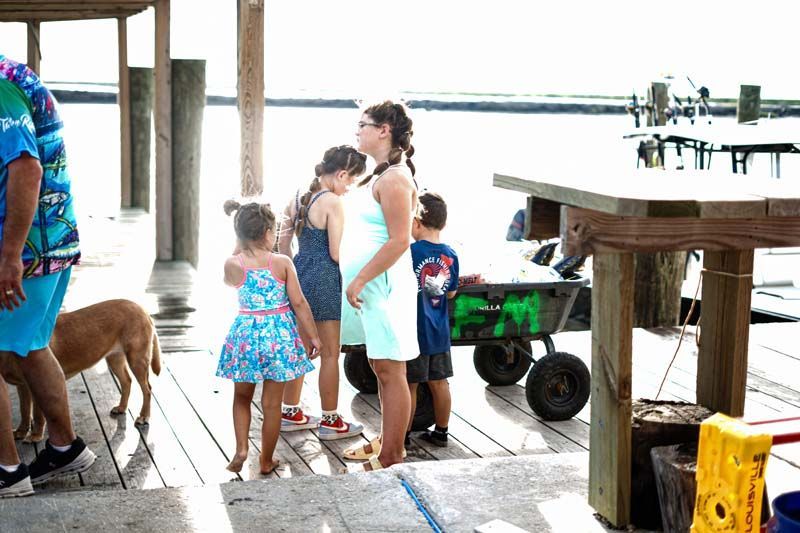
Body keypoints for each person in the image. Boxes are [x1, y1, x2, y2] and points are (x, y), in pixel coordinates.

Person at [0, 54, 96, 498]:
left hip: (27, 252)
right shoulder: (11, 75)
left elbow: (26, 168)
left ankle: (7, 470)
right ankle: (63, 447)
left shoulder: (2, 89)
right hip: (50, 243)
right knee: (30, 347)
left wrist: (10, 256)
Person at [340, 101, 418, 471]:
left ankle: (392, 455)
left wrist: (360, 278)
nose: (357, 131)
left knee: (390, 368)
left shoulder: (395, 179)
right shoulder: (379, 176)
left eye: (363, 125)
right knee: (379, 364)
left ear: (384, 130)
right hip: (375, 288)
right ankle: (387, 444)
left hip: (385, 287)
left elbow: (400, 240)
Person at [217, 200, 321, 475]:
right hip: (278, 337)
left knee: (241, 397)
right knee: (272, 404)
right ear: (267, 232)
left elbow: (229, 282)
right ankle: (265, 460)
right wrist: (313, 336)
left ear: (239, 234)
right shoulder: (282, 263)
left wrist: (240, 244)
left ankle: (241, 449)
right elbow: (299, 302)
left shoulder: (233, 264)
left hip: (246, 335)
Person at [278, 146, 367, 440]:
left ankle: (290, 412)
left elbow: (282, 246)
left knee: (301, 350)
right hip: (326, 278)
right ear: (341, 174)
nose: (349, 189)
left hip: (299, 274)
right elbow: (336, 253)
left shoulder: (297, 196)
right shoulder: (332, 202)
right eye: (351, 181)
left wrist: (295, 272)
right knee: (330, 354)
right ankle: (330, 420)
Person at [405, 192, 458, 447]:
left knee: (410, 385)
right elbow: (451, 293)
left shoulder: (410, 252)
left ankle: (402, 436)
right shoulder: (451, 255)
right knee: (440, 382)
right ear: (443, 223)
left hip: (414, 331)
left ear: (416, 222)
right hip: (439, 332)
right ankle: (441, 433)